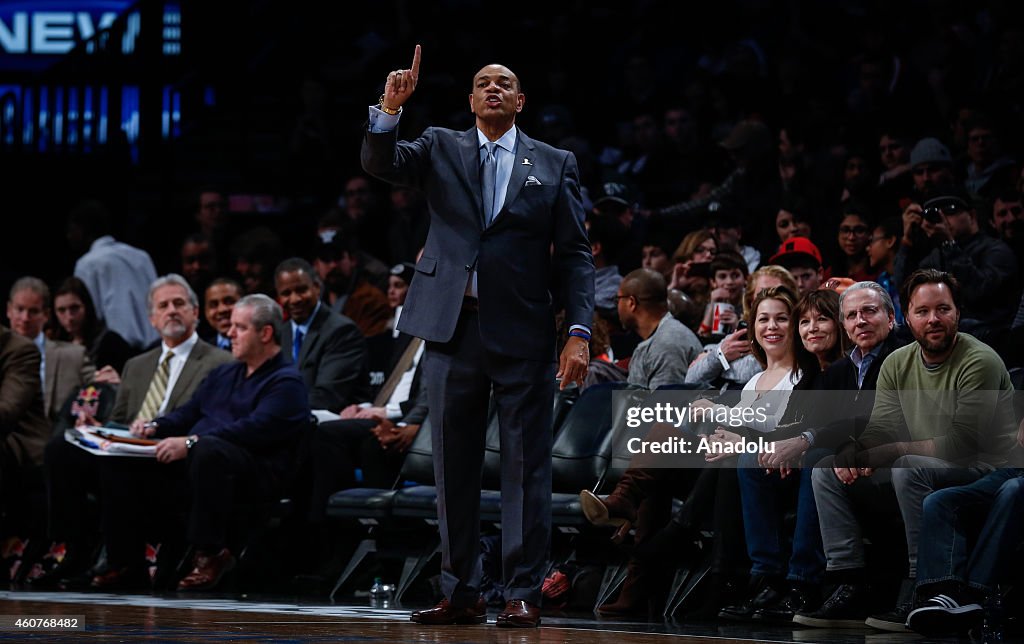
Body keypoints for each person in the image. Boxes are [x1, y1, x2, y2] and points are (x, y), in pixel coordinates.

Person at [361, 45, 594, 628]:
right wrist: (390, 108)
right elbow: (382, 165)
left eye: (505, 82)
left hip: (523, 332)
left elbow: (574, 256)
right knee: (453, 466)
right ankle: (460, 590)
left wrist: (579, 332)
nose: (493, 88)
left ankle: (522, 592)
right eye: (483, 82)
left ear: (520, 101)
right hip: (450, 328)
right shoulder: (440, 144)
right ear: (470, 99)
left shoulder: (554, 161)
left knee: (525, 468)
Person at [795, 270, 1017, 631]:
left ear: (957, 313)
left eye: (942, 309)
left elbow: (965, 443)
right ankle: (850, 582)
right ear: (909, 316)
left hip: (984, 469)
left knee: (908, 465)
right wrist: (857, 449)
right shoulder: (898, 363)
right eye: (923, 310)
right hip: (919, 466)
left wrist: (891, 451)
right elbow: (882, 427)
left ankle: (920, 585)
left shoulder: (980, 360)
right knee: (826, 468)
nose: (933, 319)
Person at [28, 274, 233, 588]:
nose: (172, 310)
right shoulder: (136, 364)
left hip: (174, 458)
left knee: (116, 461)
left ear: (195, 312)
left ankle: (122, 562)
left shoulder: (220, 362)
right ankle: (73, 549)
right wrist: (98, 430)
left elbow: (211, 420)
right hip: (128, 452)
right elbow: (120, 419)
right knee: (61, 449)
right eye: (163, 306)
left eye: (179, 303)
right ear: (152, 319)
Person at [94, 294, 309, 591]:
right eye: (231, 326)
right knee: (120, 460)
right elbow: (189, 412)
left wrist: (193, 442)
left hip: (252, 474)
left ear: (266, 333)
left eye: (240, 327)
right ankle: (125, 560)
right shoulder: (224, 373)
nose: (229, 333)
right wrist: (154, 427)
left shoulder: (286, 383)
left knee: (209, 452)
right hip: (199, 464)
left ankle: (211, 553)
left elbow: (252, 430)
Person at [721, 288, 847, 624]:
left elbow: (844, 425)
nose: (812, 328)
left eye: (822, 319)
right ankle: (766, 576)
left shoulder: (832, 369)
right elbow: (794, 425)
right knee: (742, 460)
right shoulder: (809, 375)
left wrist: (797, 443)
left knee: (812, 457)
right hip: (798, 461)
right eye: (805, 321)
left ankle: (802, 581)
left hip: (847, 460)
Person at [274, 258, 369, 412]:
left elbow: (327, 396)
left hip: (335, 421)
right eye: (286, 293)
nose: (295, 299)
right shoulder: (281, 333)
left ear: (317, 287)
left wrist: (276, 410)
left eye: (301, 290)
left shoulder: (342, 331)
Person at [67, 200, 159, 350]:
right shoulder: (141, 257)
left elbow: (88, 317)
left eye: (72, 230)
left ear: (83, 230)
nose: (69, 236)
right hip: (157, 346)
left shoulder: (87, 264)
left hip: (116, 352)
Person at [6, 277, 95, 422]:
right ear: (9, 310)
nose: (25, 318)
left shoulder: (74, 356)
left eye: (33, 311)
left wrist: (108, 383)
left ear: (46, 315)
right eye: (20, 309)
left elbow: (99, 393)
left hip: (57, 438)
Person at [617, 268, 702, 389]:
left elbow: (665, 405)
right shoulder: (662, 338)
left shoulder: (667, 344)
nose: (617, 306)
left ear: (631, 302)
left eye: (618, 299)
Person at [50, 277, 134, 375]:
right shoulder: (55, 345)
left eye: (74, 308)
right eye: (61, 310)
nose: (69, 317)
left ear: (86, 306)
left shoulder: (110, 343)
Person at [203, 278, 242, 351]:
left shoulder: (260, 346)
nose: (222, 310)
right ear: (206, 311)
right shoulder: (200, 352)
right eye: (214, 305)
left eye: (229, 302)